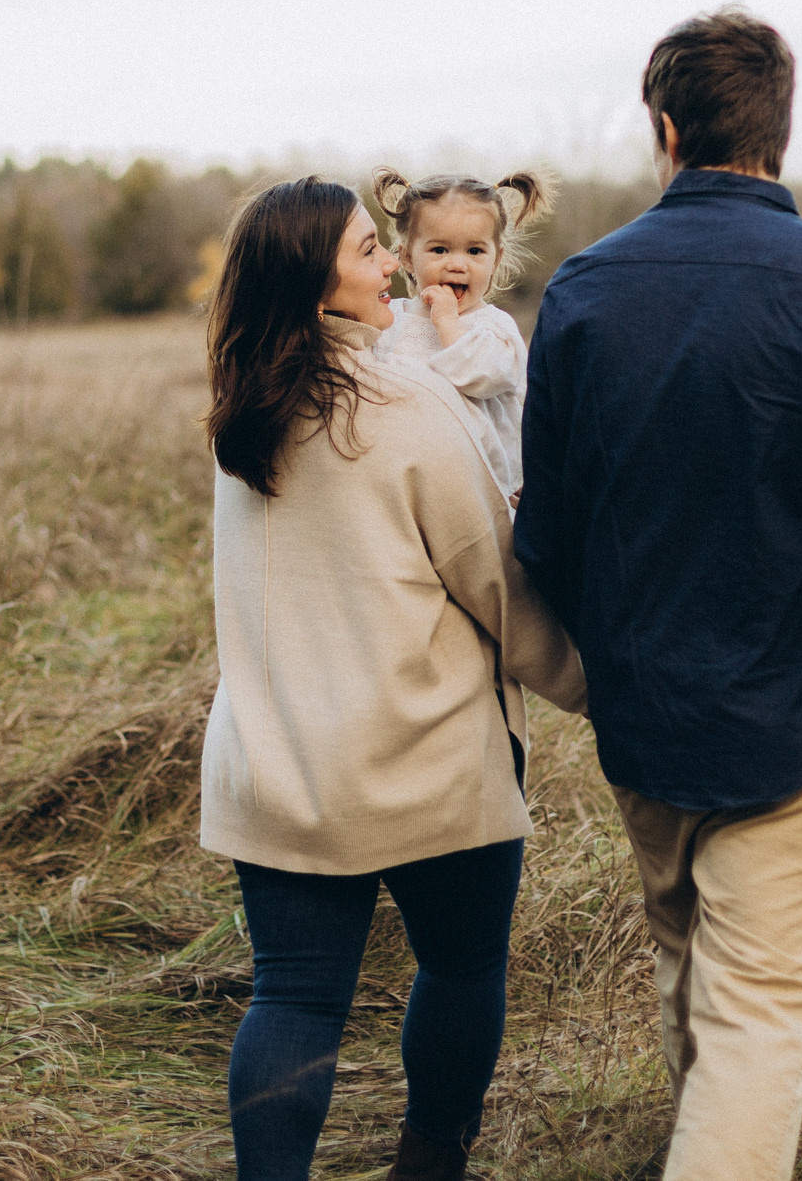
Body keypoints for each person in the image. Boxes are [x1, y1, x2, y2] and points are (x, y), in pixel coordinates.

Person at [513, 9, 802, 1181]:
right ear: (780, 131)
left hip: (644, 724)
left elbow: (541, 536)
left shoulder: (583, 291)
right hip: (792, 735)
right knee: (758, 1019)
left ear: (662, 128)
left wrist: (617, 662)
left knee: (695, 977)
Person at [199, 176, 588, 1181]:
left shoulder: (243, 412)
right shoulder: (405, 404)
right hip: (427, 762)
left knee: (290, 997)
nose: (395, 270)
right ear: (314, 281)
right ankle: (429, 1166)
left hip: (277, 761)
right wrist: (596, 690)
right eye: (371, 251)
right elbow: (498, 585)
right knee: (461, 969)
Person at [367, 166, 556, 502]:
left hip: (485, 490)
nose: (457, 264)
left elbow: (485, 376)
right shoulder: (391, 318)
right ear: (407, 257)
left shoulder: (495, 328)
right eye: (439, 250)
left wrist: (448, 324)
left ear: (496, 259)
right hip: (406, 478)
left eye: (474, 251)